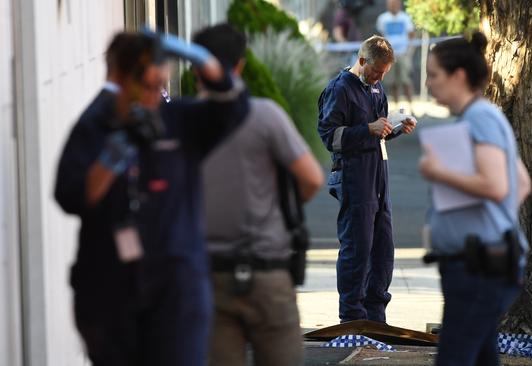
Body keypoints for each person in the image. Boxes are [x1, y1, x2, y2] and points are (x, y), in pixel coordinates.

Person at [54, 31, 248, 366]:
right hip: (111, 289)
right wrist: (111, 160)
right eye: (146, 85)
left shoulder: (174, 120)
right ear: (120, 78)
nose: (154, 96)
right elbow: (71, 196)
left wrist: (205, 62)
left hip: (177, 289)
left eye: (161, 84)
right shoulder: (95, 126)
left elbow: (232, 109)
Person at [195, 24, 324, 366]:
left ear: (195, 67)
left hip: (208, 276)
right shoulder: (266, 116)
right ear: (239, 65)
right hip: (267, 270)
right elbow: (311, 178)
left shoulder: (182, 121)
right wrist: (278, 215)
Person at [418, 32, 532, 366]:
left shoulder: (479, 118)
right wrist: (492, 219)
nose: (428, 83)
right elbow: (521, 183)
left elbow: (496, 186)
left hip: (479, 268)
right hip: (478, 264)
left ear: (459, 76)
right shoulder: (480, 116)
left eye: (434, 74)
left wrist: (439, 172)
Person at [318, 35, 417, 323]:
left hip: (378, 176)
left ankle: (375, 315)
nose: (378, 78)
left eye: (384, 74)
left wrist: (396, 127)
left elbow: (378, 130)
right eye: (375, 72)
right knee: (357, 248)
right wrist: (367, 129)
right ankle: (351, 316)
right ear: (362, 61)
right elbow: (330, 137)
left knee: (383, 249)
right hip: (353, 176)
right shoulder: (339, 90)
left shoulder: (376, 88)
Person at [376, 0, 415, 110]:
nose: (393, 5)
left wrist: (409, 51)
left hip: (403, 54)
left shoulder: (405, 17)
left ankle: (411, 107)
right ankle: (396, 106)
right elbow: (381, 36)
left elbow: (411, 34)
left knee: (406, 81)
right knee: (392, 82)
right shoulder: (382, 18)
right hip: (389, 55)